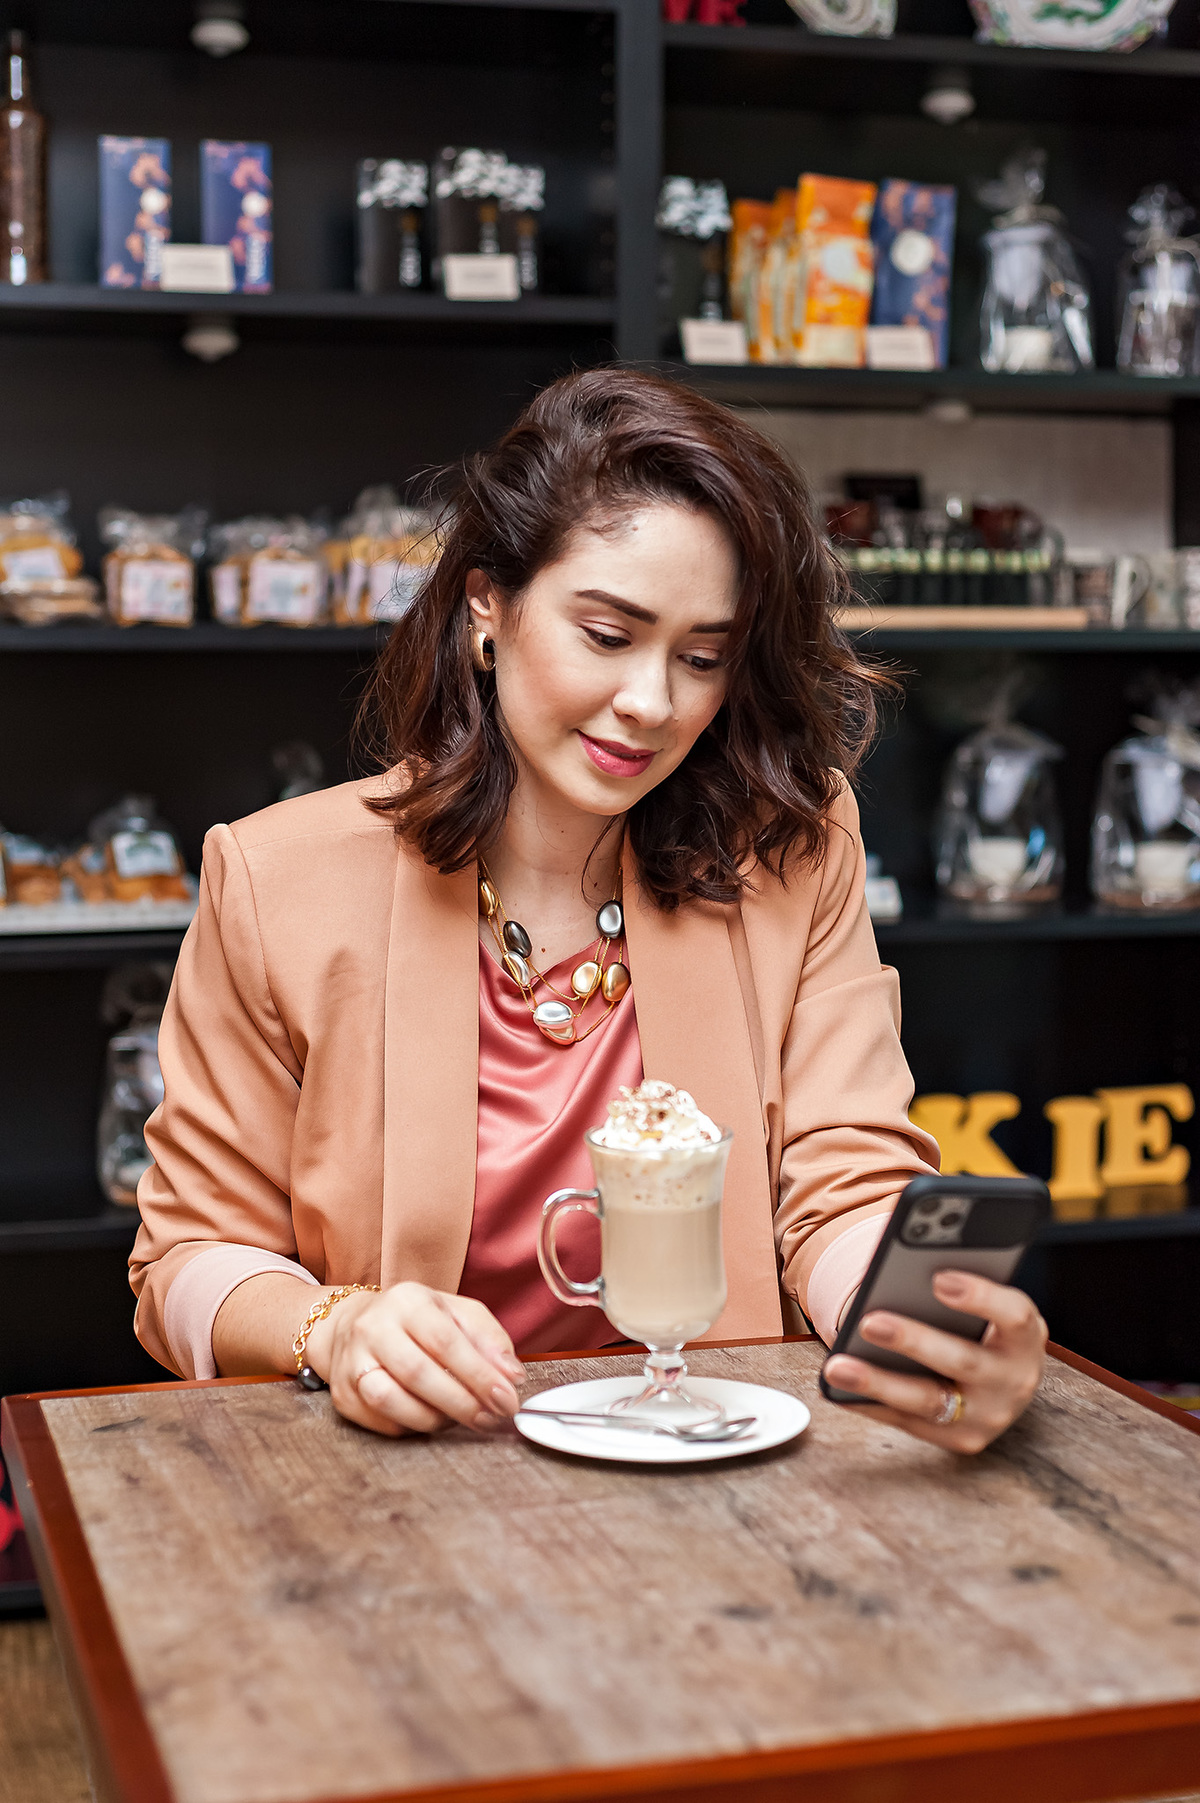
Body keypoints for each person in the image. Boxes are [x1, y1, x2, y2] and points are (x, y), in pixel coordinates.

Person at [130, 368, 1046, 1453]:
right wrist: (338, 1326)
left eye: (703, 657)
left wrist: (909, 1329)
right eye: (608, 636)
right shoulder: (279, 879)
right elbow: (186, 1264)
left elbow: (843, 1183)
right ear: (489, 605)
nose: (654, 703)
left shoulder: (794, 848)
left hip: (716, 1456)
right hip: (418, 1475)